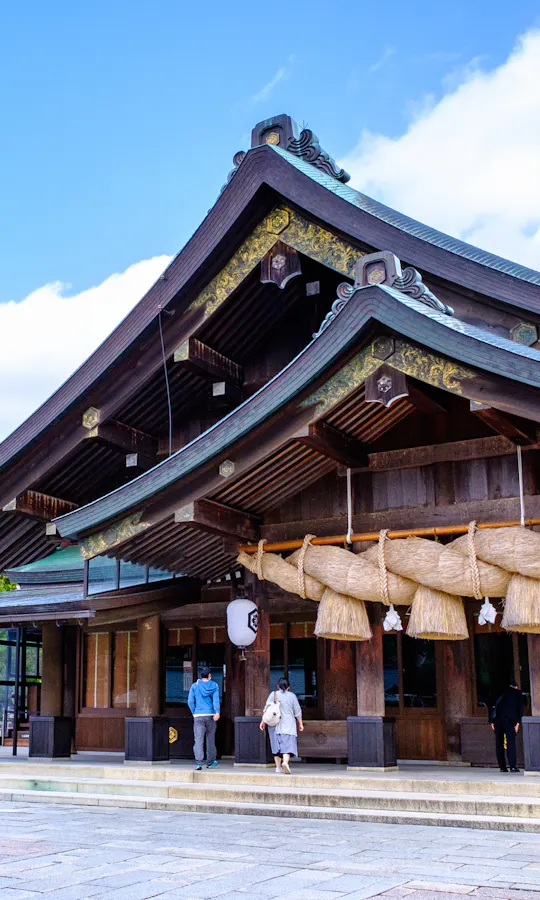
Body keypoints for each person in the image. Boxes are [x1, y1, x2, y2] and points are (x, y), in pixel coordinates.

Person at [260, 676, 304, 775]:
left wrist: (263, 722)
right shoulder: (292, 696)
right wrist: (300, 723)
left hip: (274, 724)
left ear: (278, 686)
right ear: (288, 687)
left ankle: (278, 767)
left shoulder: (273, 694)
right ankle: (285, 762)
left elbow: (266, 709)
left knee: (276, 746)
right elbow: (297, 711)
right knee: (287, 746)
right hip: (288, 724)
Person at [188, 667, 220, 771]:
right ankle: (210, 762)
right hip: (210, 715)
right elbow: (215, 700)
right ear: (209, 675)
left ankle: (199, 763)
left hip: (198, 716)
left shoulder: (195, 686)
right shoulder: (214, 686)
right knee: (210, 739)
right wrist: (217, 712)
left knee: (198, 739)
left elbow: (190, 701)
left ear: (201, 676)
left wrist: (194, 712)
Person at [491, 679, 524, 773]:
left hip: (497, 720)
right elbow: (519, 709)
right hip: (510, 720)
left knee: (499, 743)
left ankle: (502, 767)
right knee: (510, 743)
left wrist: (492, 721)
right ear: (516, 686)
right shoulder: (517, 693)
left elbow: (492, 706)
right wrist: (518, 722)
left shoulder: (499, 692)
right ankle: (513, 767)